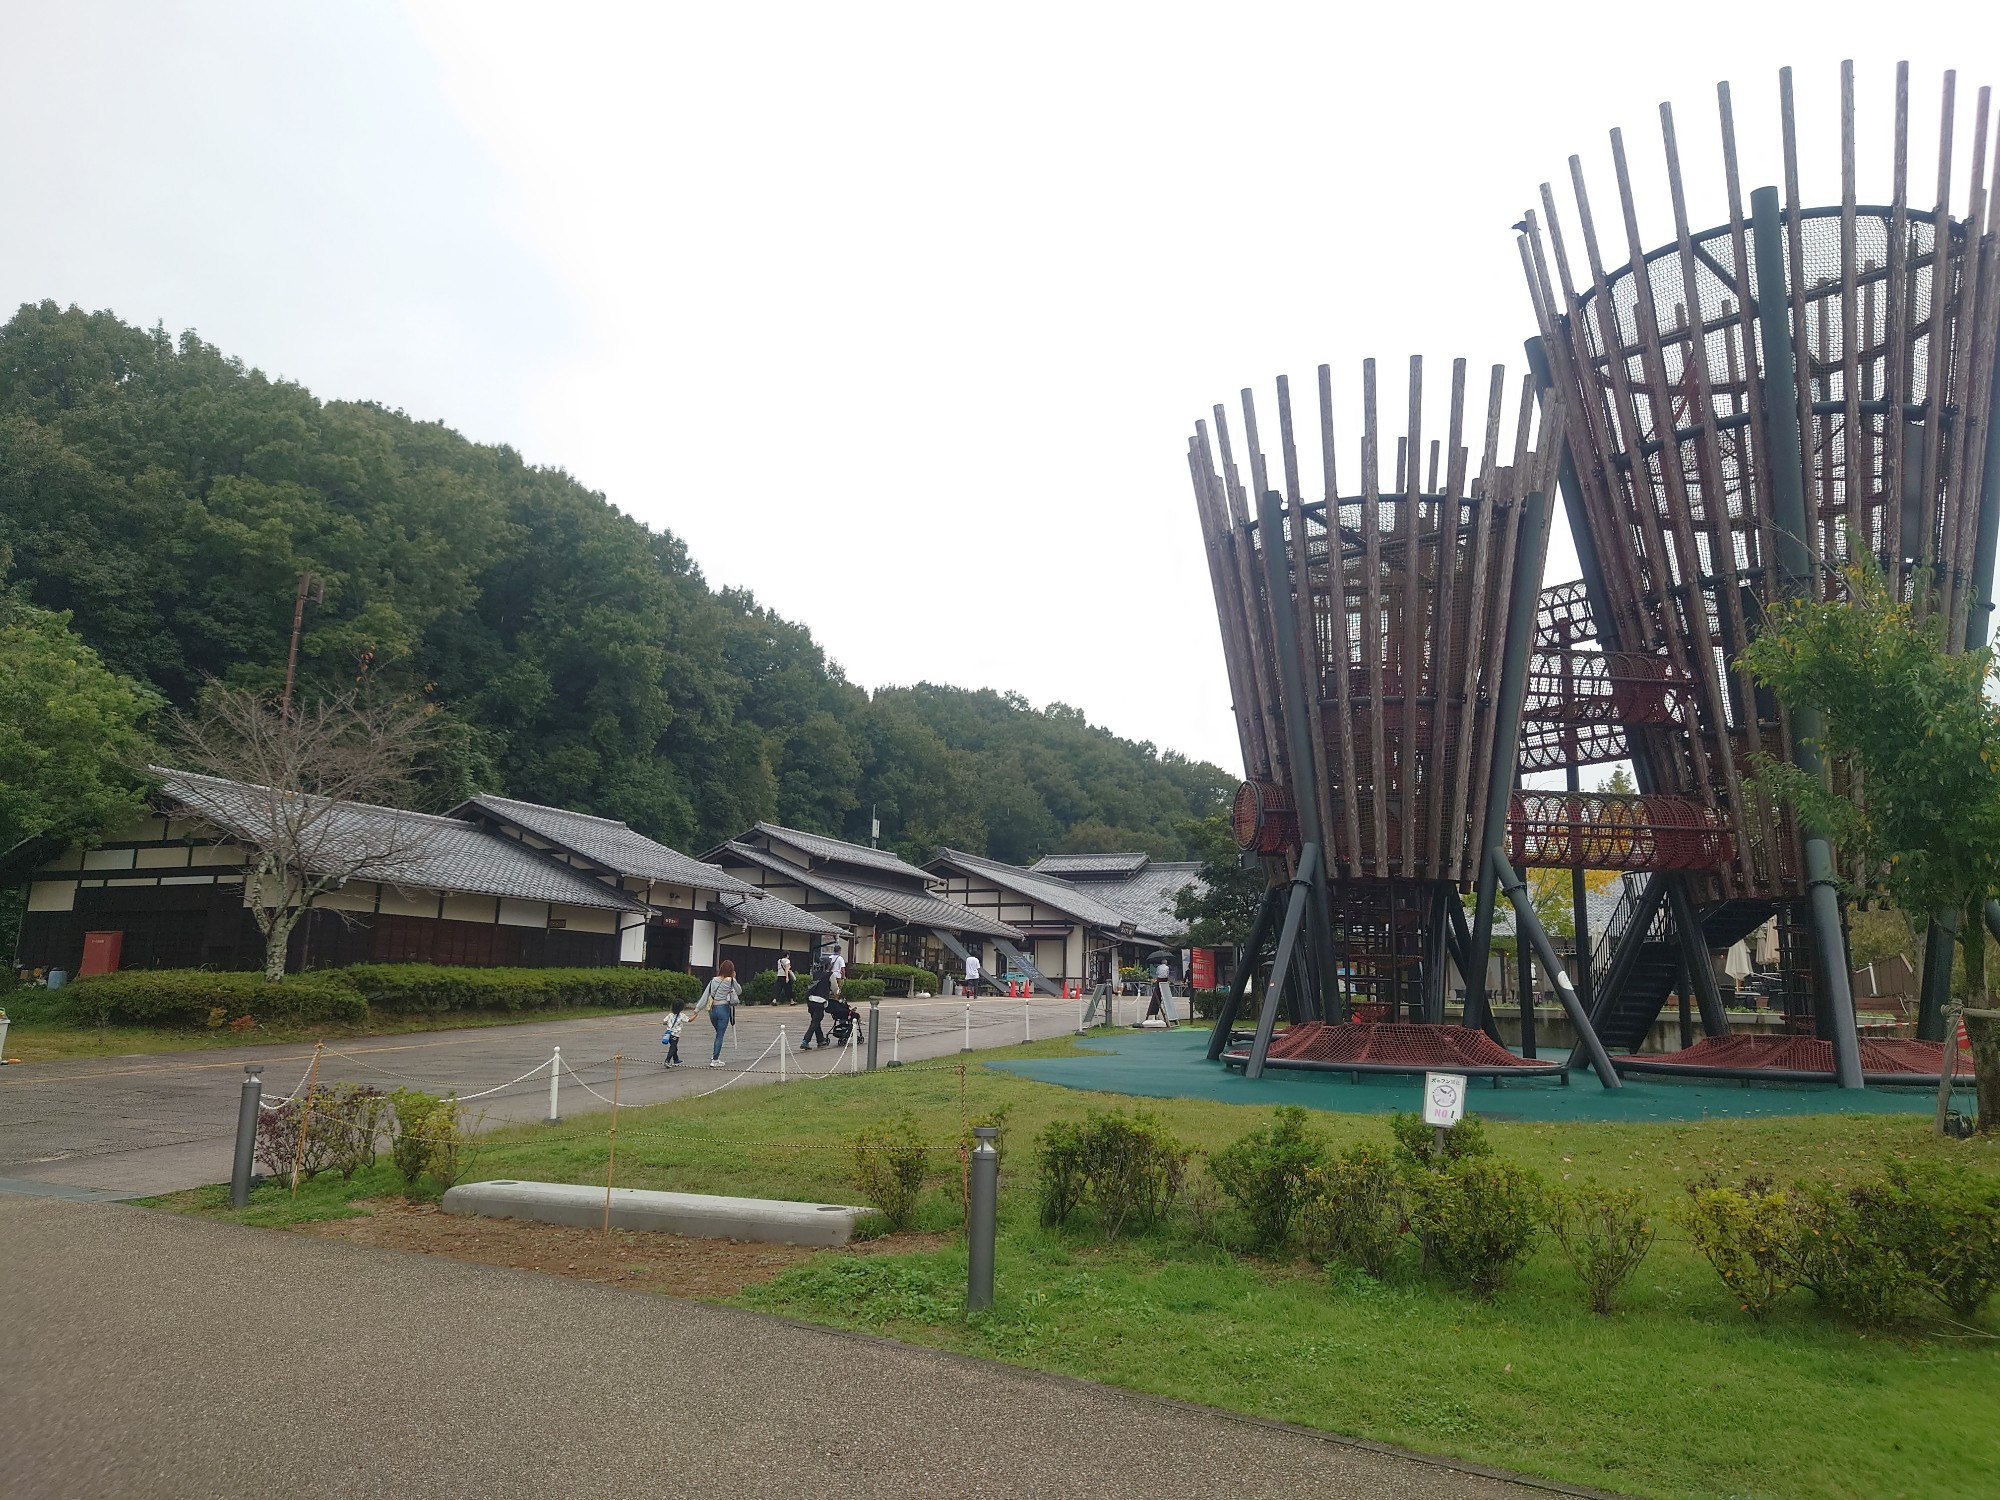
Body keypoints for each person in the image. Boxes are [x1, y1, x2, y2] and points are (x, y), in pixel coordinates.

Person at [693, 960, 741, 1067]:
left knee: (718, 1033)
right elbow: (739, 991)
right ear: (731, 970)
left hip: (712, 1010)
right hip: (724, 1009)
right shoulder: (731, 981)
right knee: (720, 1035)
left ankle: (715, 1054)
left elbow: (706, 995)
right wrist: (734, 978)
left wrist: (697, 1009)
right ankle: (715, 1059)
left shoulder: (713, 980)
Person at [802, 951, 834, 1049]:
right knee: (815, 1022)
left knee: (816, 1020)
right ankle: (805, 1041)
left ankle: (820, 1040)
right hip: (820, 1001)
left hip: (810, 1000)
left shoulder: (815, 973)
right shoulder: (829, 975)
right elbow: (835, 988)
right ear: (828, 965)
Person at [1145, 960, 1174, 1025]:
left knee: (1157, 993)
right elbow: (1167, 974)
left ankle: (1154, 1013)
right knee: (1163, 994)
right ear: (1166, 963)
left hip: (1159, 980)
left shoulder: (1158, 967)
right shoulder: (1167, 967)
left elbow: (1157, 973)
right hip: (1165, 980)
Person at [661, 999, 687, 1068]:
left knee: (674, 1047)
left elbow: (664, 1022)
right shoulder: (682, 1015)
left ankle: (676, 1059)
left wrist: (668, 1023)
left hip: (668, 1034)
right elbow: (689, 1020)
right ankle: (667, 1060)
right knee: (672, 1048)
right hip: (675, 1035)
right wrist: (695, 1015)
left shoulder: (670, 1015)